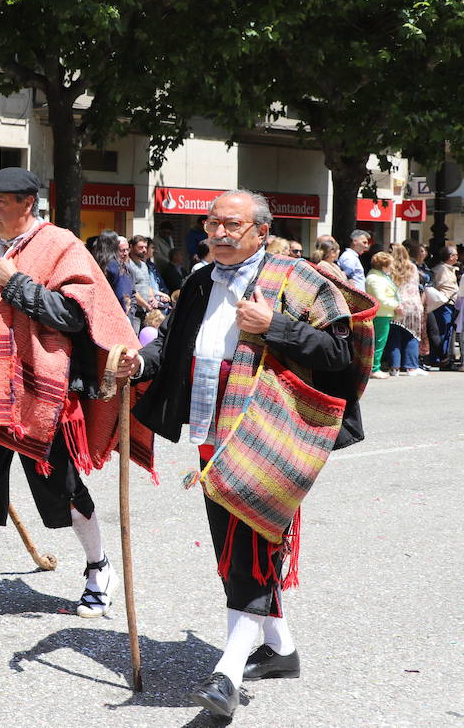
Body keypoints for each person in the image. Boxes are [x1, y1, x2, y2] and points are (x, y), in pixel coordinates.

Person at [119, 189, 371, 722]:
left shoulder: (297, 279)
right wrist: (139, 365)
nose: (218, 233)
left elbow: (338, 354)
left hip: (270, 435)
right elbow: (172, 345)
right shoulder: (198, 280)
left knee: (248, 552)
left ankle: (227, 677)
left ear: (260, 230)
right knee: (237, 550)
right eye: (212, 225)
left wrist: (273, 327)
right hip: (211, 435)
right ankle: (281, 651)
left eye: (231, 225)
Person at [0, 169, 137, 626]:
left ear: (28, 203)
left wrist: (16, 282)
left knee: (60, 488)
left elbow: (75, 316)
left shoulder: (60, 245)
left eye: (0, 201)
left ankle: (99, 569)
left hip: (42, 394)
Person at [384, 244, 427, 377]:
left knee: (394, 337)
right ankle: (411, 367)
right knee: (412, 336)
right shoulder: (412, 267)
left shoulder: (389, 269)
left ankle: (394, 368)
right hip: (413, 305)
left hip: (397, 304)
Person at [364, 251, 398, 379]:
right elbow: (380, 299)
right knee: (378, 342)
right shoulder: (375, 279)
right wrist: (396, 305)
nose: (392, 267)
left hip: (384, 313)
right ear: (384, 266)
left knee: (379, 342)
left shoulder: (379, 276)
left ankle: (375, 367)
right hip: (381, 314)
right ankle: (374, 368)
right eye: (390, 264)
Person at [93, 231, 135, 326]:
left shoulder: (95, 264)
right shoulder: (115, 266)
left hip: (98, 315)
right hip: (115, 317)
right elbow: (122, 294)